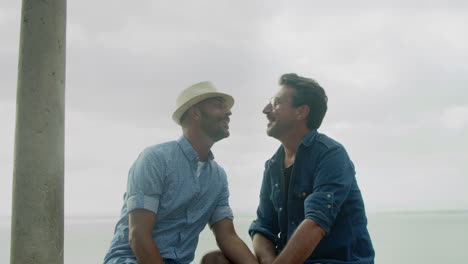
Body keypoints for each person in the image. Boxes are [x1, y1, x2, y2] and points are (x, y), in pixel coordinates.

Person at [104, 81, 258, 264]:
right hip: (131, 260)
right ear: (196, 113)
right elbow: (138, 235)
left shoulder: (218, 177)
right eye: (219, 105)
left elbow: (228, 237)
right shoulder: (155, 159)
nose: (228, 112)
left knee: (217, 261)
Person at [249, 73, 375, 264]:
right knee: (216, 260)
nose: (266, 110)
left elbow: (316, 223)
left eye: (276, 103)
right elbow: (263, 228)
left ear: (301, 112)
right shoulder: (273, 165)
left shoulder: (331, 154)